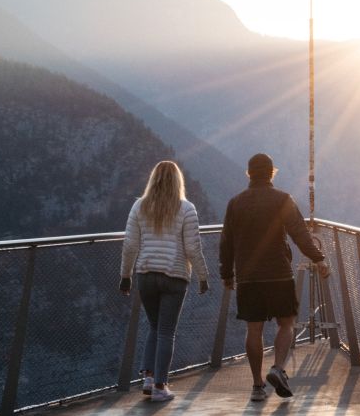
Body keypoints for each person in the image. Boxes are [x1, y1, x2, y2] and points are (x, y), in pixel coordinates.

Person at [219, 153, 330, 402]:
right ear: (272, 173)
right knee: (287, 322)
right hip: (279, 272)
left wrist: (227, 273)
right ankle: (278, 368)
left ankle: (257, 386)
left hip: (248, 275)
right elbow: (300, 234)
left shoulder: (235, 203)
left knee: (254, 329)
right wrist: (318, 258)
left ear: (249, 173)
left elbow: (226, 242)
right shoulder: (283, 200)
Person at [120, 161, 209, 403]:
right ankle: (160, 385)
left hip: (145, 275)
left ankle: (148, 377)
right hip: (174, 276)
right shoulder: (186, 209)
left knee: (155, 326)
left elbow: (129, 245)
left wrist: (125, 276)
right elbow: (192, 247)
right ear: (178, 181)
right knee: (166, 331)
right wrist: (202, 275)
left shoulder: (139, 207)